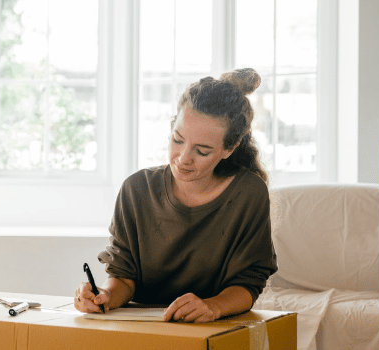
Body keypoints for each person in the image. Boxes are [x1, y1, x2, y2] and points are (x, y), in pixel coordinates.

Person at [74, 68, 277, 323]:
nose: (183, 159)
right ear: (172, 127)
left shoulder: (249, 193)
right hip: (141, 328)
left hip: (211, 328)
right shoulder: (136, 189)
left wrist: (212, 306)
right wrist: (103, 296)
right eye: (178, 140)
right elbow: (123, 277)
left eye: (202, 151)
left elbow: (248, 283)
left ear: (229, 148)